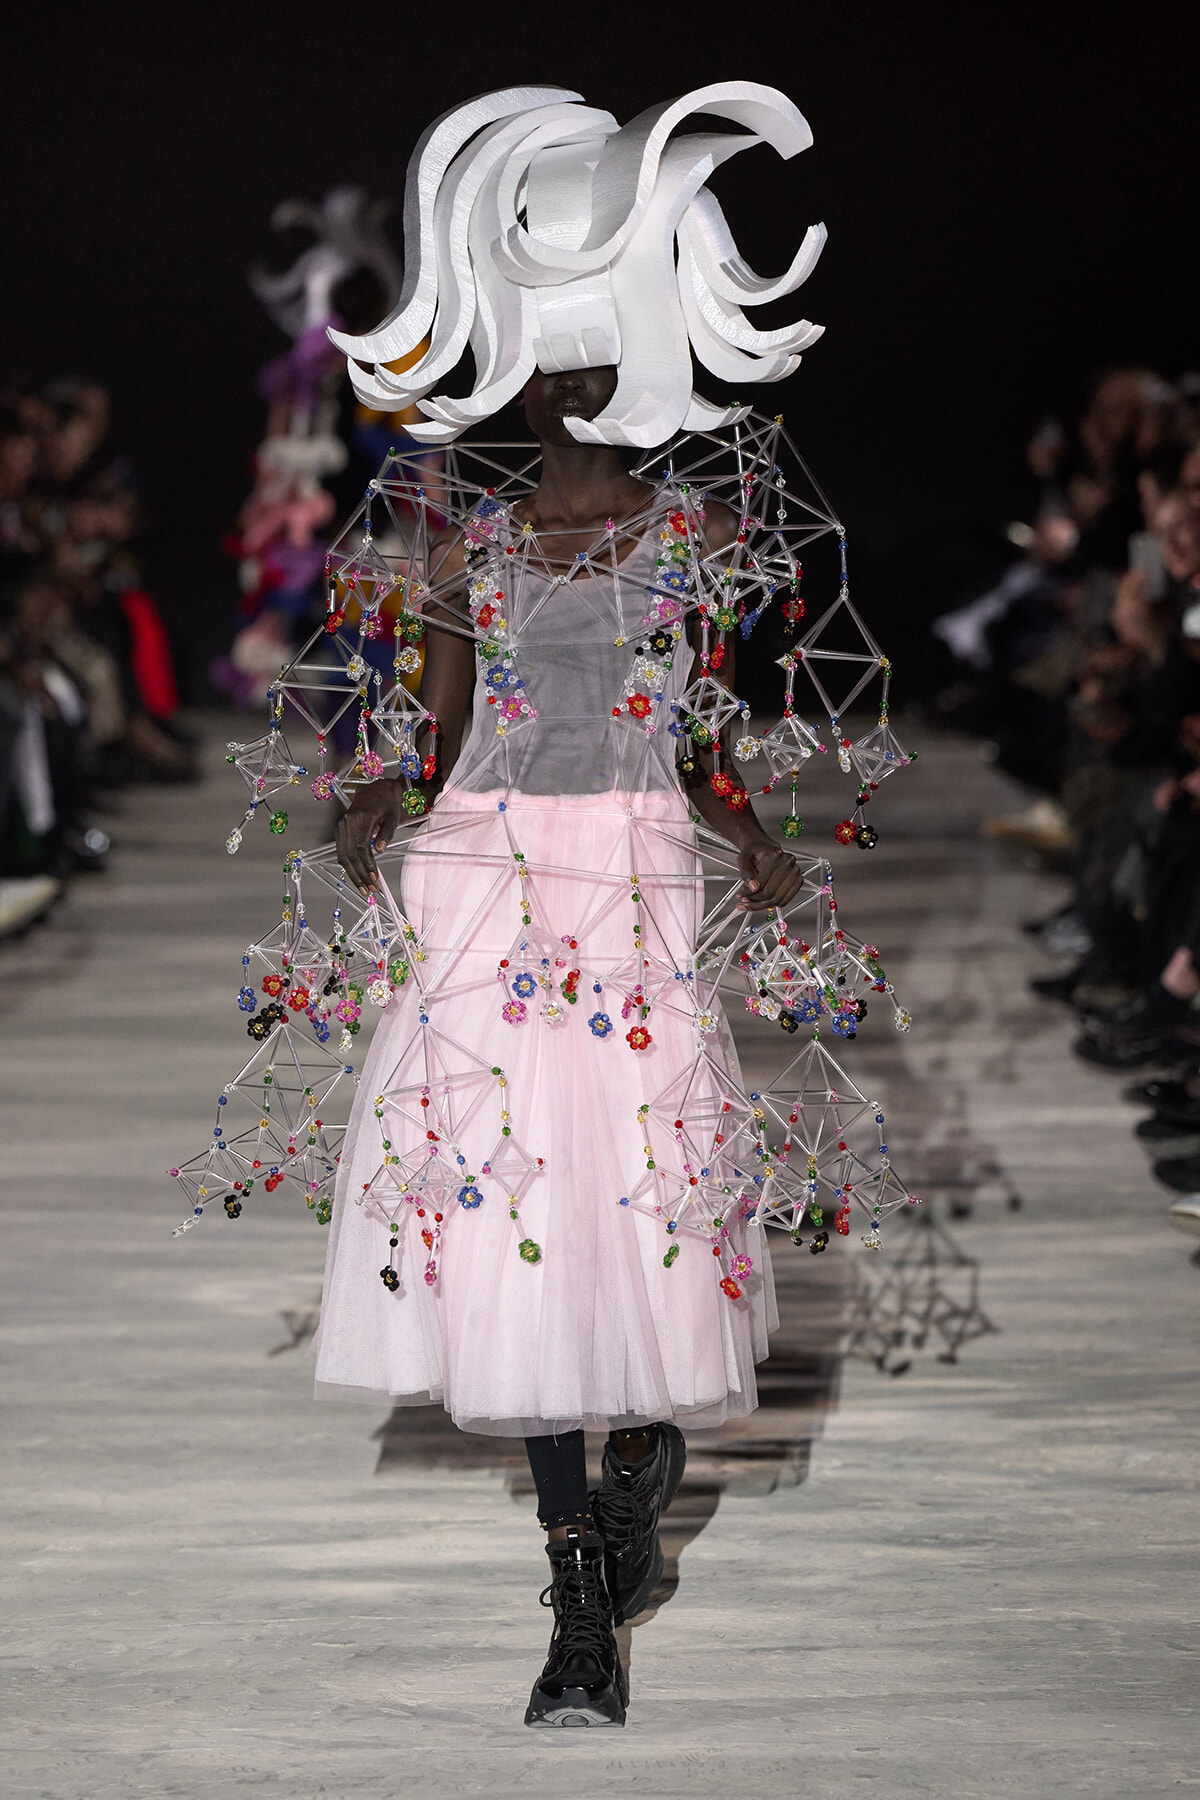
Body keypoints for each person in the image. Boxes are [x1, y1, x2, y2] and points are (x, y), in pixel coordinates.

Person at [309, 82, 829, 1728]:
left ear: (646, 352)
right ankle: (579, 1589)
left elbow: (697, 734)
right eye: (553, 353)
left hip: (634, 887)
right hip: (496, 884)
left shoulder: (691, 536)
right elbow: (440, 731)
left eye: (602, 351)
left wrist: (747, 831)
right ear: (512, 359)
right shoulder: (460, 542)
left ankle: (645, 1471)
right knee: (509, 1203)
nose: (576, 381)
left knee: (639, 1199)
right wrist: (382, 792)